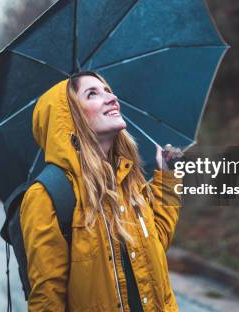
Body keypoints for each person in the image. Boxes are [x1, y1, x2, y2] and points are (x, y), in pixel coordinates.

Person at [20, 71, 183, 311]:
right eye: (93, 94)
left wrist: (167, 179)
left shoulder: (127, 179)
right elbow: (47, 298)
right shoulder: (48, 196)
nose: (112, 97)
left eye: (107, 90)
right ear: (69, 118)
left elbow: (157, 244)